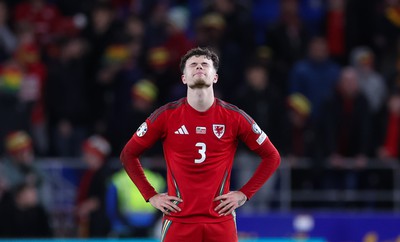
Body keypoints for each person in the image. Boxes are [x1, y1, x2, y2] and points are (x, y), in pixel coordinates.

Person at [120, 47, 281, 241]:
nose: (199, 67)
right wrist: (151, 195)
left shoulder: (234, 117)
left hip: (221, 221)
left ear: (215, 77)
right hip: (179, 221)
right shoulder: (166, 116)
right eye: (193, 65)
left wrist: (243, 194)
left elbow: (272, 156)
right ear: (184, 78)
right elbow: (128, 154)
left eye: (205, 64)